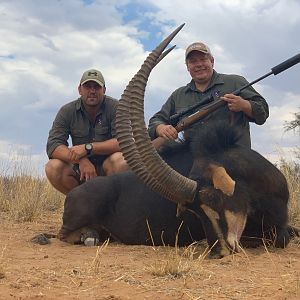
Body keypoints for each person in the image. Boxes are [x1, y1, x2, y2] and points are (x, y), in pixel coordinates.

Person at [148, 42, 269, 147]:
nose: (199, 64)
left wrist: (245, 105)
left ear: (212, 61)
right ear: (187, 67)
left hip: (235, 160)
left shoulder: (235, 82)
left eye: (203, 59)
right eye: (193, 61)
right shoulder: (178, 95)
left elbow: (263, 111)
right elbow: (156, 120)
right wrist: (160, 128)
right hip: (195, 166)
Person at [45, 69, 127, 195]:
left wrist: (88, 148)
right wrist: (81, 160)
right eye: (88, 86)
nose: (92, 91)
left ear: (104, 90)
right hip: (81, 170)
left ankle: (112, 205)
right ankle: (81, 202)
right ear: (79, 90)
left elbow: (123, 142)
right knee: (53, 167)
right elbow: (53, 146)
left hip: (107, 167)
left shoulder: (116, 108)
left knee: (121, 161)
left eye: (97, 87)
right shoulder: (67, 111)